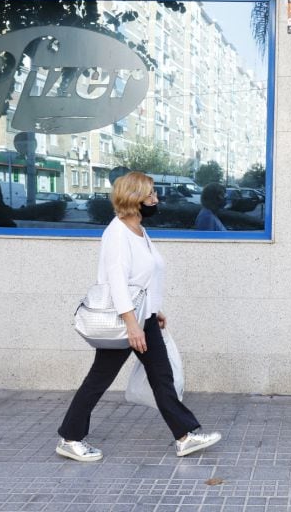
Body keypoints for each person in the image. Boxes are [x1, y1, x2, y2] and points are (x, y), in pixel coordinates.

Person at [56, 171, 221, 462]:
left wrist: (154, 311)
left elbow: (143, 278)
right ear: (134, 198)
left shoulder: (137, 229)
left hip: (143, 317)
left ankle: (185, 436)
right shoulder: (117, 233)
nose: (156, 199)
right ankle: (70, 438)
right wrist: (132, 324)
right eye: (150, 195)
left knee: (162, 376)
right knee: (100, 378)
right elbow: (117, 281)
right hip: (127, 321)